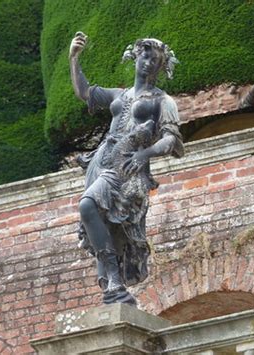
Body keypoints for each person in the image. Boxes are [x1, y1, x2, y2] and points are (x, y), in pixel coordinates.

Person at [69, 32, 184, 305]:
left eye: (155, 60)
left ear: (160, 67)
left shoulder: (162, 101)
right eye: (144, 56)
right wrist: (73, 58)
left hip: (130, 169)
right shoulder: (119, 95)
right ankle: (113, 282)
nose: (148, 63)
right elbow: (84, 92)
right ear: (135, 56)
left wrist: (146, 153)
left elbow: (172, 139)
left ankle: (113, 277)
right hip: (102, 165)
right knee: (104, 223)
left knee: (87, 206)